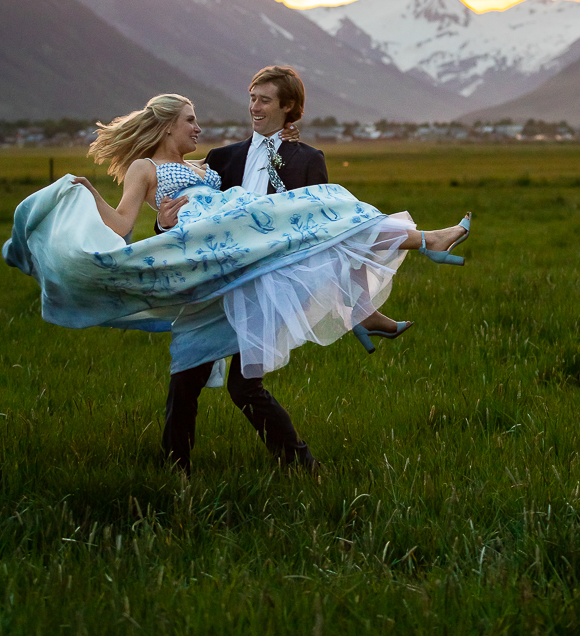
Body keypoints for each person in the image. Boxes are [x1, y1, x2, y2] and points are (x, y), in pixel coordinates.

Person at [4, 89, 470, 476]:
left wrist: (285, 134)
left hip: (236, 241)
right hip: (206, 253)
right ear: (167, 126)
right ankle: (190, 468)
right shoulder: (146, 169)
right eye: (190, 120)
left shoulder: (205, 168)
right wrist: (87, 194)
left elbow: (261, 163)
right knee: (198, 370)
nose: (198, 128)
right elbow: (123, 225)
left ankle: (411, 253)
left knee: (324, 213)